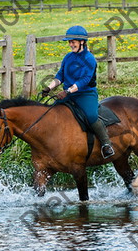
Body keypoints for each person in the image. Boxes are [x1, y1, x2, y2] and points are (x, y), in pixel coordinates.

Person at [41, 25, 115, 158]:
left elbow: (84, 80)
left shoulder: (89, 59)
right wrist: (49, 87)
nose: (70, 44)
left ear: (82, 42)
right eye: (69, 42)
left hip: (85, 94)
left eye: (73, 41)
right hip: (68, 94)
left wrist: (67, 91)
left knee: (91, 116)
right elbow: (60, 76)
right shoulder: (68, 57)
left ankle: (106, 144)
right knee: (51, 112)